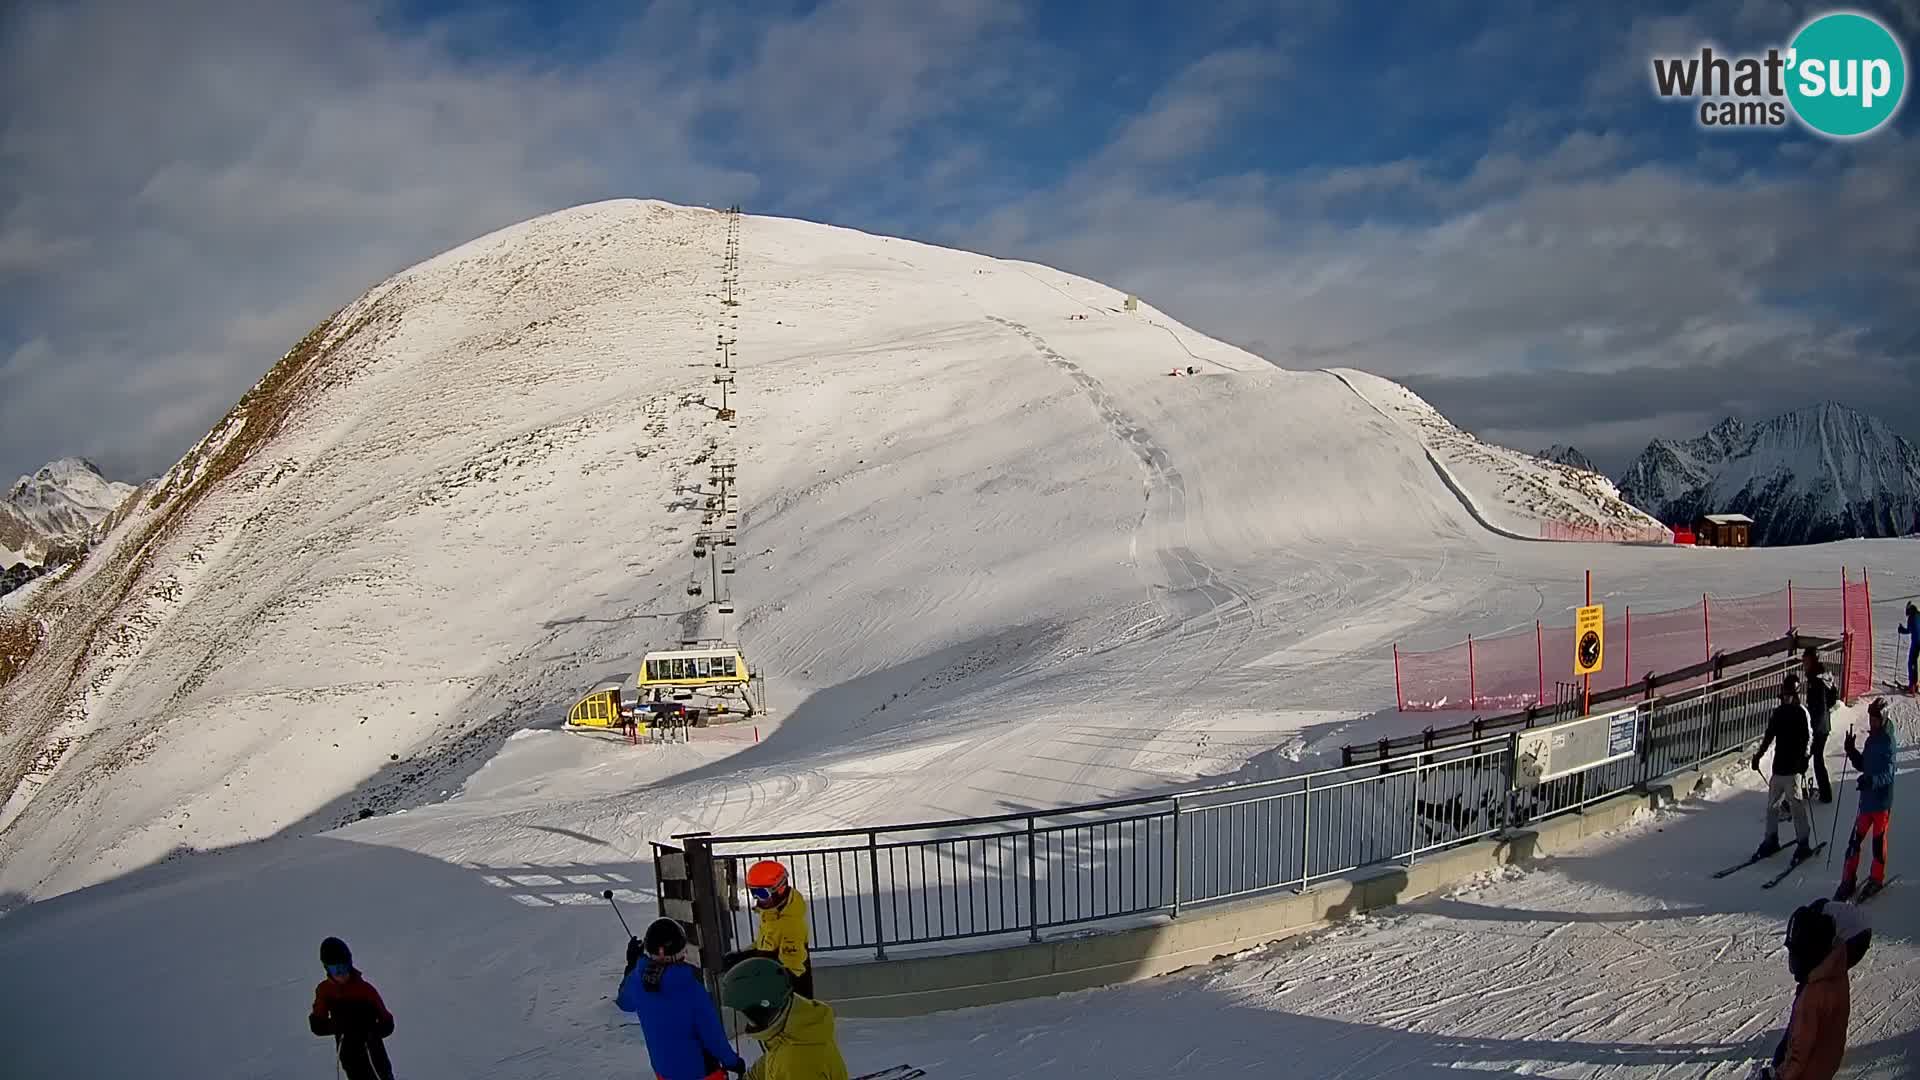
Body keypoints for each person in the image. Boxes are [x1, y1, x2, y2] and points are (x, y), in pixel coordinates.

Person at [617, 918, 747, 1080]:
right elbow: (713, 1037)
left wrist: (631, 965)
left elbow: (624, 1002)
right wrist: (733, 1062)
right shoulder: (692, 991)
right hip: (700, 1073)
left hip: (664, 1071)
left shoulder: (636, 981)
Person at [719, 957, 849, 1080]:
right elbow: (768, 1064)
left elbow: (785, 1063)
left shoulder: (796, 1062)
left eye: (746, 1015)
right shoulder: (792, 1032)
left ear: (761, 1011)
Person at [1761, 904, 1850, 1080]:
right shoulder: (1834, 967)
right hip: (1829, 1059)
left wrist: (1779, 1077)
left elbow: (1798, 1057)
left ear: (1810, 953)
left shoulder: (1810, 996)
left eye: (1795, 953)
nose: (1792, 961)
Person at [309, 937, 398, 1080]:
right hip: (348, 1054)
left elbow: (388, 1023)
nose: (340, 973)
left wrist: (370, 1030)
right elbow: (317, 1025)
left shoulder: (365, 991)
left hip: (373, 1051)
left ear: (350, 964)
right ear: (327, 969)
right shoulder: (325, 991)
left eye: (343, 967)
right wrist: (338, 1025)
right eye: (335, 969)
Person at [1835, 697, 1897, 901]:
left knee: (1878, 843)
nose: (1872, 723)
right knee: (1854, 842)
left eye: (1876, 719)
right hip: (1867, 803)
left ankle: (1876, 879)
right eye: (1871, 719)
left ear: (1884, 717)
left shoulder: (1887, 741)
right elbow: (1865, 766)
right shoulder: (1872, 739)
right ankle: (1848, 880)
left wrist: (1871, 781)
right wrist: (1852, 751)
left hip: (1881, 804)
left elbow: (1888, 774)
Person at [723, 860, 813, 999]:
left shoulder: (791, 925)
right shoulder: (771, 914)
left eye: (762, 893)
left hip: (789, 998)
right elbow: (764, 945)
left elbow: (793, 969)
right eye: (754, 892)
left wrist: (755, 973)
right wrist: (741, 957)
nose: (758, 898)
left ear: (780, 888)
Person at [1753, 674, 1815, 862]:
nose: (1786, 697)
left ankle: (1803, 843)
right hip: (1779, 767)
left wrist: (1804, 759)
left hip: (1794, 769)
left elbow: (1808, 738)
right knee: (1772, 806)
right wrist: (1759, 755)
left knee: (1796, 805)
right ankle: (1771, 839)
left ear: (1796, 694)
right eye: (1784, 694)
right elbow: (1769, 735)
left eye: (1790, 694)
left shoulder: (1801, 712)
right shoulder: (1779, 713)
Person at [1802, 648, 1839, 803]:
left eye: (1805, 661)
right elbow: (1832, 699)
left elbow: (1816, 706)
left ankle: (1795, 793)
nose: (1803, 664)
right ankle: (1825, 794)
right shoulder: (1822, 677)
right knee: (1816, 759)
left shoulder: (1816, 681)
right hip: (1822, 725)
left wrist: (1810, 725)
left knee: (1805, 758)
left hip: (1817, 727)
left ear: (1811, 661)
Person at [1898, 602, 1920, 693]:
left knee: (1912, 662)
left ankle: (1912, 685)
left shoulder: (1912, 618)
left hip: (1916, 642)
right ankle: (1917, 684)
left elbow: (1910, 630)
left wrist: (1901, 629)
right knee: (1916, 663)